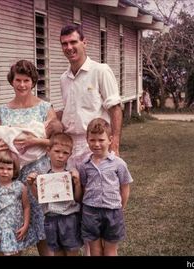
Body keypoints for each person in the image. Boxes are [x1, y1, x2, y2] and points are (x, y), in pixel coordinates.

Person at [49, 23, 124, 256]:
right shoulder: (63, 78)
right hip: (71, 148)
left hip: (95, 148)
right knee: (73, 207)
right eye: (64, 44)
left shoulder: (100, 70)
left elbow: (115, 107)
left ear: (84, 42)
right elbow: (70, 111)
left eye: (73, 42)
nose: (69, 47)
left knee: (96, 207)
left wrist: (115, 145)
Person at [0, 59, 62, 256]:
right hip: (9, 177)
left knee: (43, 228)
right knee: (9, 227)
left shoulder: (45, 108)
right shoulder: (1, 112)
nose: (22, 85)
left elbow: (58, 144)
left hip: (37, 175)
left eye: (26, 80)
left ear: (33, 82)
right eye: (18, 80)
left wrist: (36, 142)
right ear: (12, 81)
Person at [78, 118, 133, 256]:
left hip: (113, 212)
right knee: (95, 250)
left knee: (110, 250)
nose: (96, 144)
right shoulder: (84, 165)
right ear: (87, 140)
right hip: (90, 212)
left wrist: (121, 208)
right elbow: (84, 187)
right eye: (92, 140)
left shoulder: (119, 164)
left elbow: (125, 187)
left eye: (101, 140)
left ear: (110, 139)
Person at [26, 133, 83, 256]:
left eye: (65, 153)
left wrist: (77, 184)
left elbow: (78, 198)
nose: (60, 156)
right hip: (50, 218)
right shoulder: (42, 173)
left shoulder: (71, 171)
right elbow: (40, 198)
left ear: (70, 154)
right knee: (56, 252)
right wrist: (31, 185)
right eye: (57, 151)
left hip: (69, 218)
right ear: (48, 150)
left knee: (72, 251)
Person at [0, 151, 30, 256]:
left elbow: (26, 207)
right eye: (2, 168)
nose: (5, 172)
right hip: (1, 228)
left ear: (15, 170)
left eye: (9, 169)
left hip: (16, 229)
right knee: (1, 253)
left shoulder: (20, 187)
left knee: (16, 253)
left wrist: (26, 225)